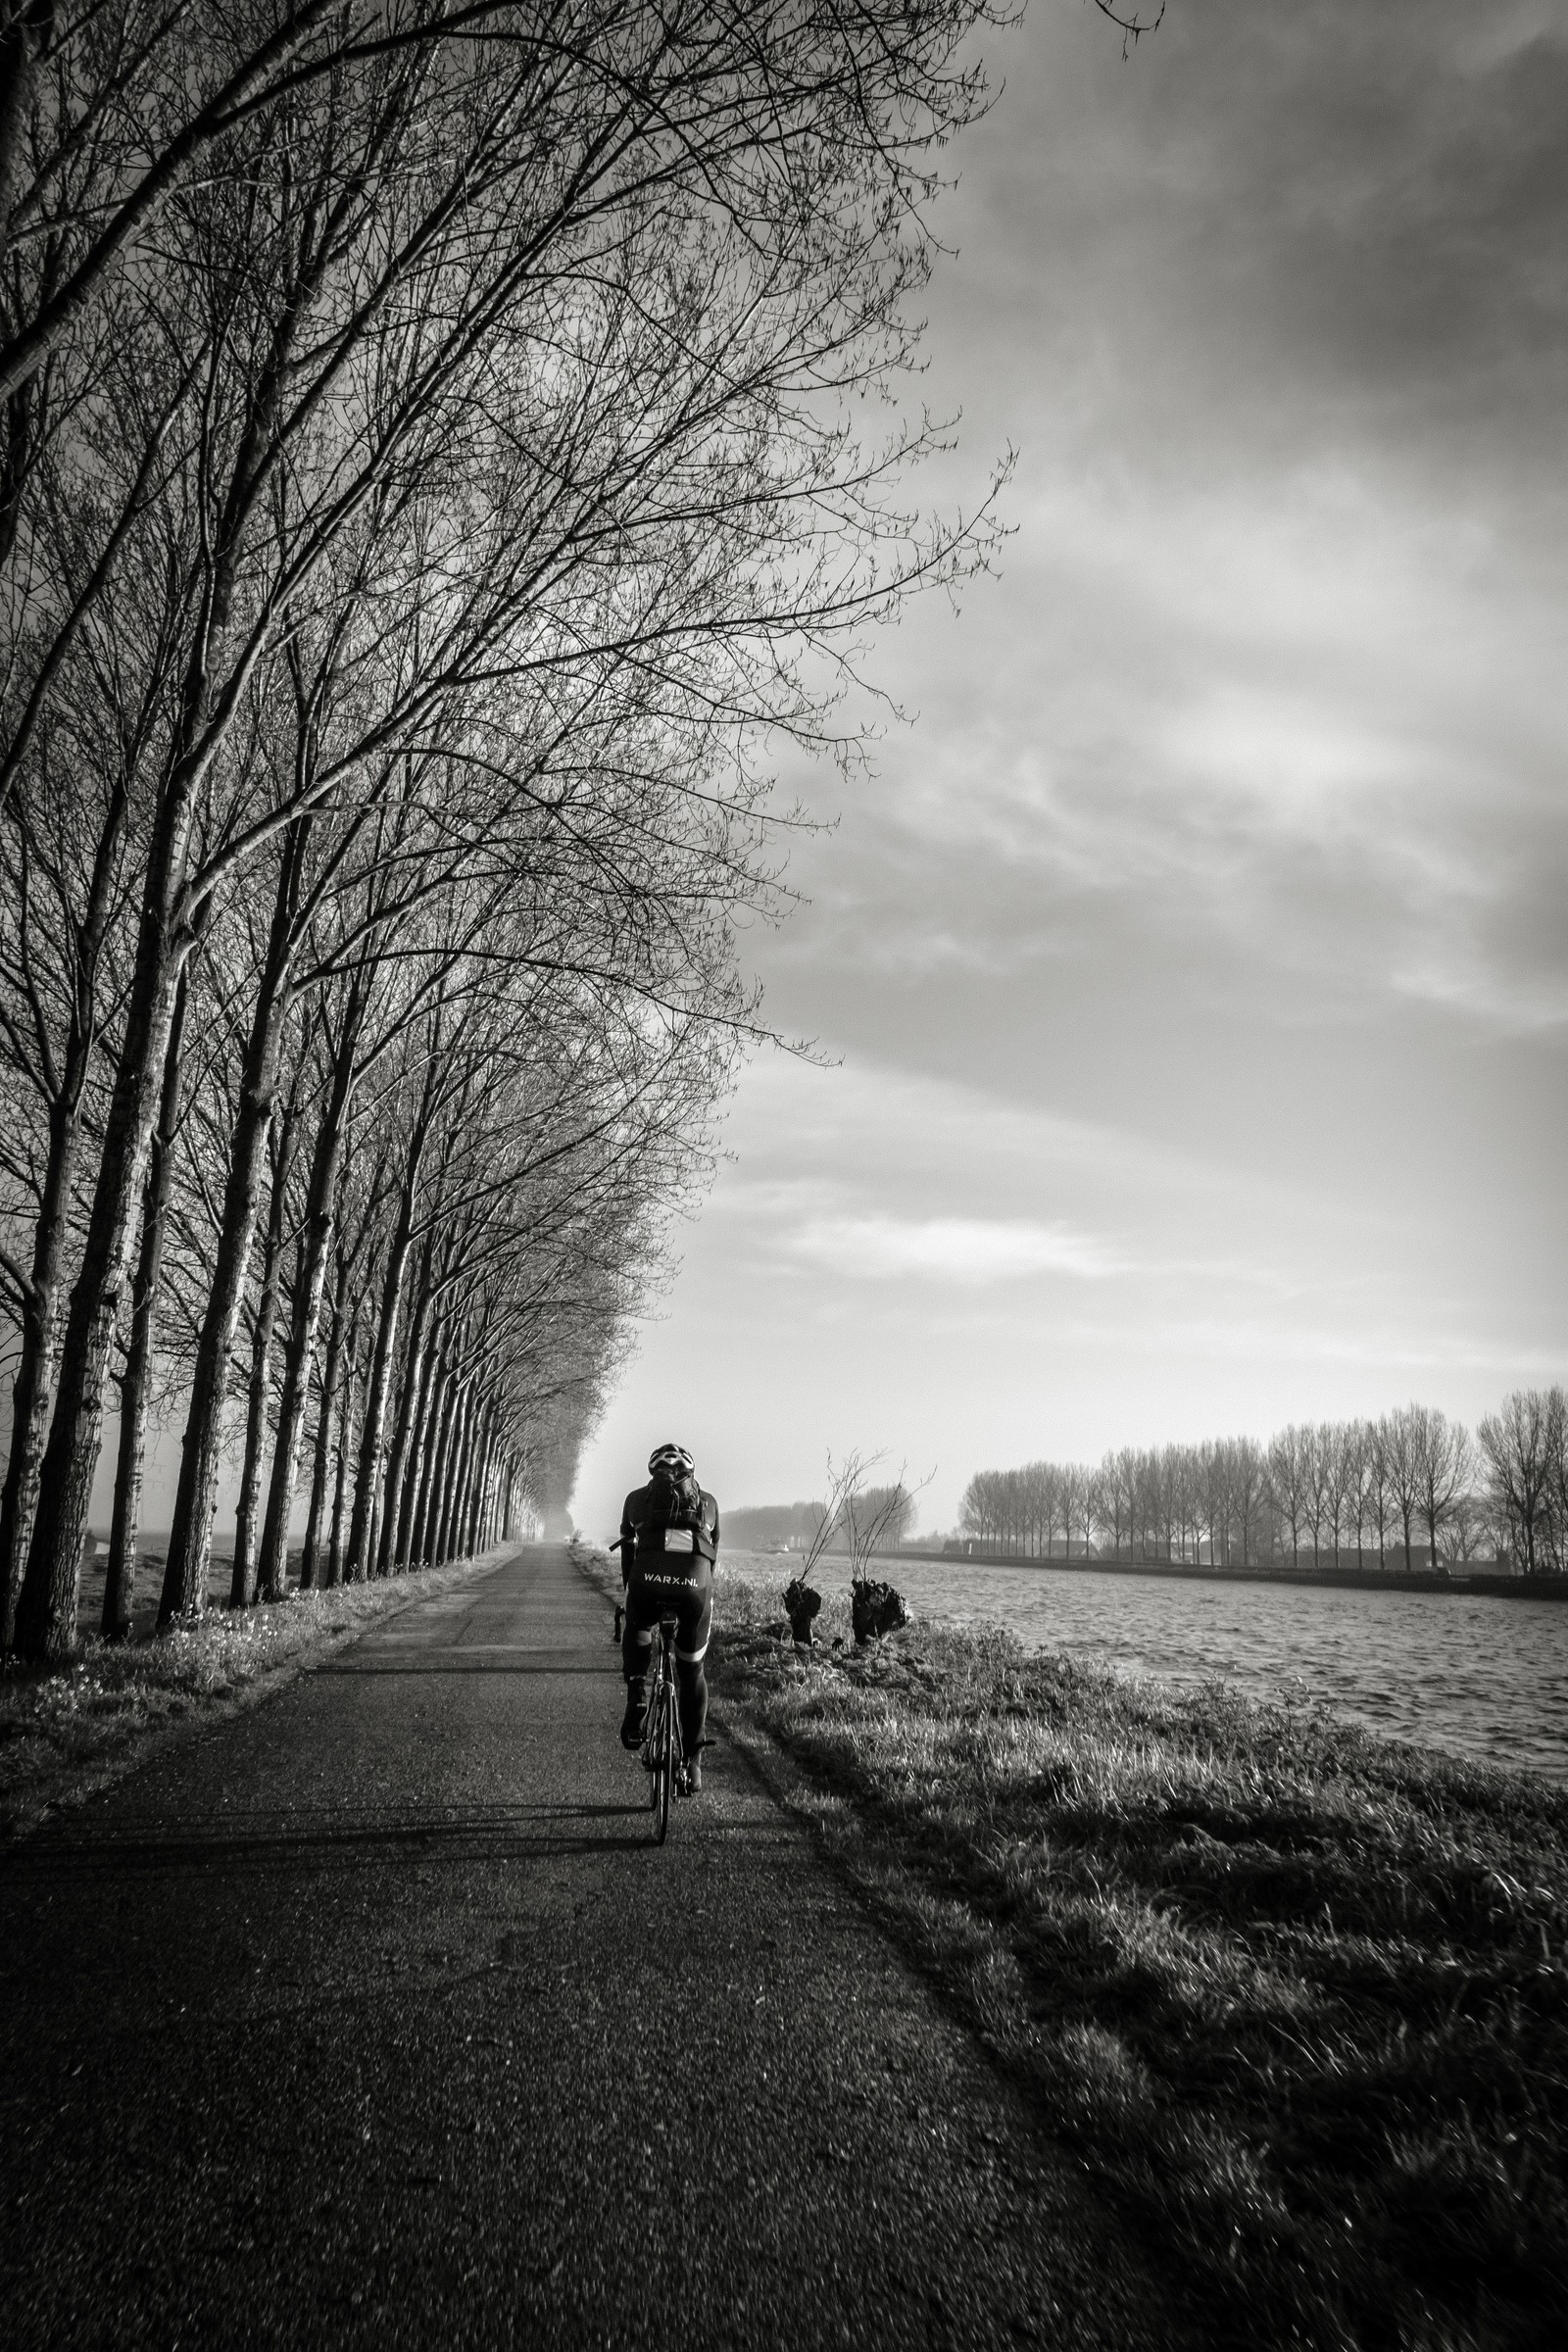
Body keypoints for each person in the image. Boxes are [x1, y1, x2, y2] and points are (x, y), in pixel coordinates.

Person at [616, 1442, 719, 1795]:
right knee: (692, 1671)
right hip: (694, 1586)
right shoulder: (709, 1503)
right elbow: (712, 1558)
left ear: (652, 1473)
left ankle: (637, 1693)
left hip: (646, 1581)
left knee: (639, 1625)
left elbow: (627, 1554)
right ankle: (692, 1761)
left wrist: (630, 1591)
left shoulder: (634, 1499)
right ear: (690, 1474)